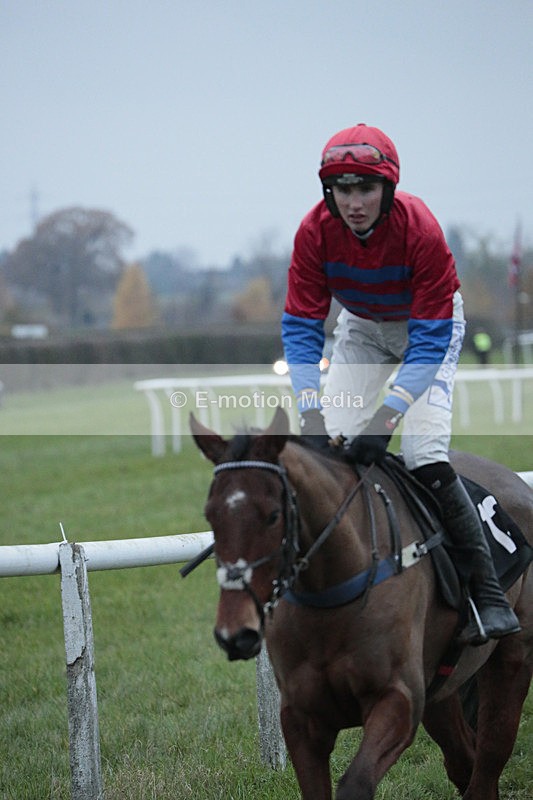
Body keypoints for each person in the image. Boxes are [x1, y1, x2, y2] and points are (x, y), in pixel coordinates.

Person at [281, 123, 520, 646]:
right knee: (329, 452)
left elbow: (429, 345)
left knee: (423, 453)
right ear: (329, 192)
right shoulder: (314, 231)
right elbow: (300, 327)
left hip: (428, 327)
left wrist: (385, 419)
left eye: (365, 188)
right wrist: (311, 410)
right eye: (343, 189)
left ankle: (486, 593)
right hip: (362, 328)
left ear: (388, 188)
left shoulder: (421, 229)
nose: (354, 202)